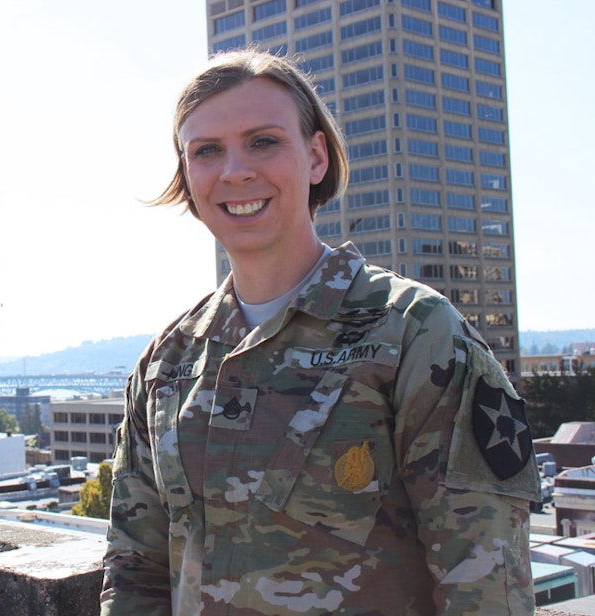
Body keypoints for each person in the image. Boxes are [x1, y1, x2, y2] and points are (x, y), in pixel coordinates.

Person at [100, 49, 540, 615]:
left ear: (315, 157)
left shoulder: (414, 333)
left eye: (263, 141)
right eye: (207, 151)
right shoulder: (168, 362)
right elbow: (134, 573)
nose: (235, 170)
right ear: (188, 175)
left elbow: (485, 586)